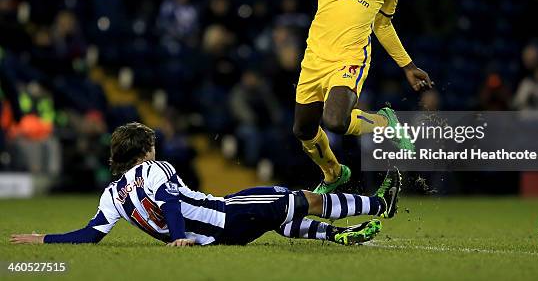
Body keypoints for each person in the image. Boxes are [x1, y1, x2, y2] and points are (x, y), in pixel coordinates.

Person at [10, 122, 401, 247]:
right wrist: (178, 236)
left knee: (279, 204)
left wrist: (44, 239)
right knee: (302, 200)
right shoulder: (154, 170)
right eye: (153, 144)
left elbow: (91, 234)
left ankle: (338, 237)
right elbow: (170, 203)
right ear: (145, 150)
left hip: (219, 224)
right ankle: (380, 206)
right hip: (224, 218)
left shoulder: (111, 194)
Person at [293, 0, 432, 193]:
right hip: (315, 56)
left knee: (335, 121)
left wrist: (407, 66)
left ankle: (384, 123)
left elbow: (382, 24)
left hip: (350, 57)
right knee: (303, 128)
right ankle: (333, 173)